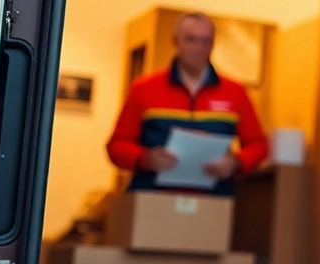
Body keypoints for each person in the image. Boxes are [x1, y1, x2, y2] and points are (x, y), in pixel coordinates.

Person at [107, 12, 268, 195]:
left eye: (206, 41)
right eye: (191, 40)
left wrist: (236, 162)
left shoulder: (235, 92)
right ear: (175, 42)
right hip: (152, 197)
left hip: (214, 200)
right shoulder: (143, 88)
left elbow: (258, 144)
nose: (199, 48)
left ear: (213, 45)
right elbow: (116, 145)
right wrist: (145, 158)